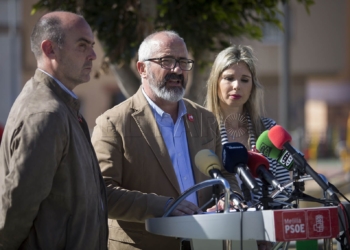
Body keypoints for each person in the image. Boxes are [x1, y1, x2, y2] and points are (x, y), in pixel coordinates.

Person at [91, 30, 242, 250]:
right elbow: (101, 193)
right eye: (167, 61)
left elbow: (225, 175)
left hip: (205, 242)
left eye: (183, 61)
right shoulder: (112, 123)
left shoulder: (205, 119)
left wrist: (229, 198)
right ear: (142, 68)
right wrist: (164, 207)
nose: (178, 70)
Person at [0, 11, 108, 249]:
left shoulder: (61, 107)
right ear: (50, 49)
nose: (93, 55)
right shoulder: (47, 115)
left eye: (91, 45)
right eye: (82, 45)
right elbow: (14, 212)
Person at [205, 45, 291, 204]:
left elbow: (284, 190)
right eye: (229, 78)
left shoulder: (268, 129)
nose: (237, 85)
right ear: (215, 82)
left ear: (252, 86)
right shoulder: (201, 130)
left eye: (244, 80)